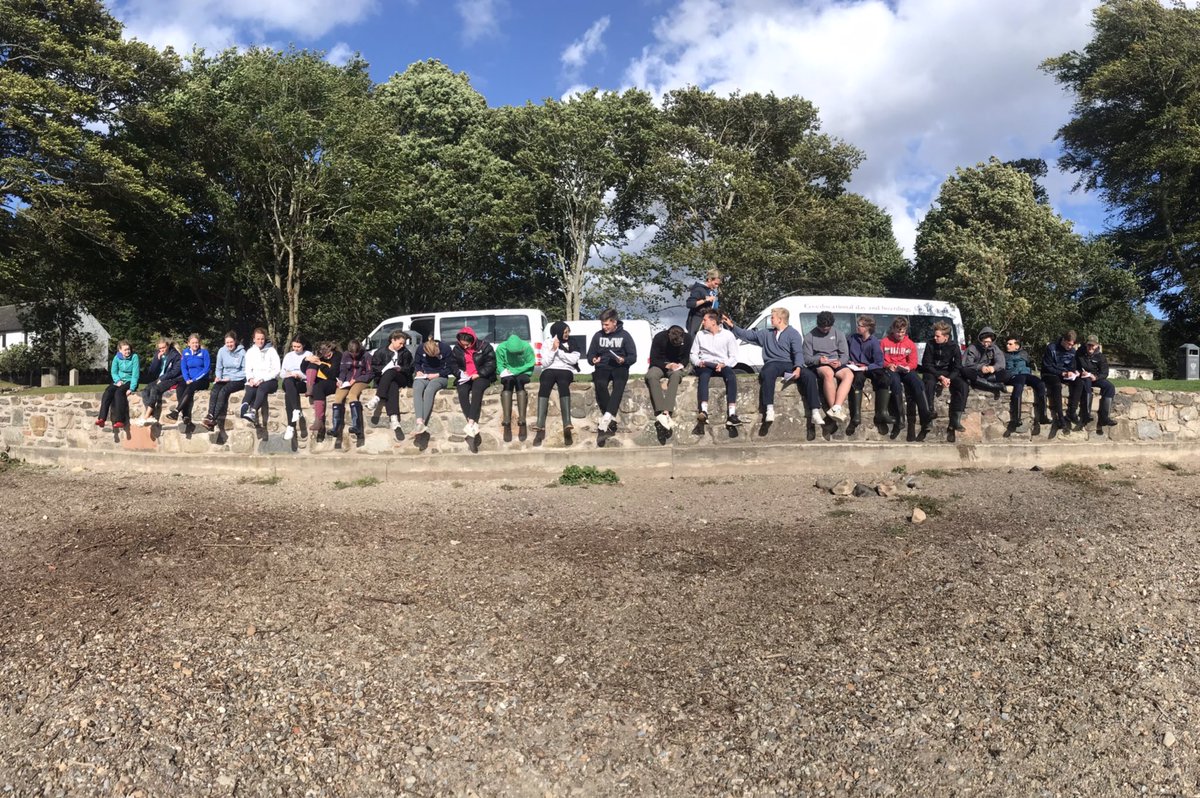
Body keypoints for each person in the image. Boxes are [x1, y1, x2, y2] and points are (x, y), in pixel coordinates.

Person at [723, 307, 814, 425]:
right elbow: (748, 335)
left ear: (780, 320)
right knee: (767, 373)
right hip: (773, 363)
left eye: (773, 317)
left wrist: (798, 368)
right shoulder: (767, 333)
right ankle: (769, 409)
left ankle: (815, 410)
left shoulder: (793, 334)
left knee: (810, 376)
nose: (771, 320)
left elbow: (798, 352)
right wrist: (732, 326)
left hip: (789, 364)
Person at [586, 308, 637, 434]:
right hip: (602, 367)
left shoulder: (625, 335)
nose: (604, 327)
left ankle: (608, 415)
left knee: (619, 385)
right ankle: (611, 417)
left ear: (614, 322)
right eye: (602, 324)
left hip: (620, 367)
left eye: (606, 324)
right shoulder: (598, 335)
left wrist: (623, 360)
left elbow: (633, 356)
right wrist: (593, 359)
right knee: (600, 384)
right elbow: (590, 355)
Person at [880, 317, 931, 441]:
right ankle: (900, 419)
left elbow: (913, 362)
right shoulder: (885, 342)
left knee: (918, 382)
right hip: (891, 369)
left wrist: (908, 367)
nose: (900, 335)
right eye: (898, 332)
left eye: (903, 332)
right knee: (895, 384)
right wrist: (888, 365)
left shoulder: (909, 343)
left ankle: (926, 418)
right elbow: (880, 359)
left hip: (905, 369)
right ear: (893, 330)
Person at [689, 310, 742, 429]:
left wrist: (724, 364)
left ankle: (732, 414)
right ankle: (704, 411)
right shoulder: (700, 335)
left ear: (713, 322)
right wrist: (698, 362)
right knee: (703, 377)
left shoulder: (728, 335)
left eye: (705, 320)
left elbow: (733, 356)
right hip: (705, 363)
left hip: (722, 363)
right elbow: (693, 353)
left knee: (731, 377)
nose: (702, 322)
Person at [534, 321, 580, 446]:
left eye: (568, 331)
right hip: (550, 369)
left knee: (563, 383)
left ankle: (567, 422)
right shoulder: (547, 343)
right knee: (545, 383)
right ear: (558, 332)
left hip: (566, 369)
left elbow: (574, 359)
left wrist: (559, 352)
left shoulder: (572, 342)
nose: (567, 334)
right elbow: (545, 362)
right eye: (565, 332)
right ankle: (540, 423)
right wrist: (554, 349)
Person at [451, 326, 496, 453]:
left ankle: (471, 423)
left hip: (481, 376)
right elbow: (453, 365)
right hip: (465, 377)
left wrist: (479, 373)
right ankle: (472, 426)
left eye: (467, 345)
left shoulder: (484, 347)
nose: (465, 347)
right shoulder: (457, 349)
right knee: (462, 392)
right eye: (463, 344)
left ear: (473, 340)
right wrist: (460, 373)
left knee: (477, 391)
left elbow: (491, 364)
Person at [804, 311, 853, 423]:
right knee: (828, 373)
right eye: (823, 328)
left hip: (836, 363)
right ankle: (834, 411)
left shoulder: (839, 334)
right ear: (818, 325)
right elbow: (806, 359)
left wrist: (840, 362)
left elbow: (845, 355)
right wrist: (819, 360)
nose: (825, 330)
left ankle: (837, 407)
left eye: (828, 328)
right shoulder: (809, 336)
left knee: (849, 374)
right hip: (820, 364)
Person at [920, 321, 968, 435]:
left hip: (948, 371)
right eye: (934, 335)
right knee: (928, 384)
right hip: (932, 371)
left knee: (963, 385)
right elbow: (926, 363)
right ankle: (928, 416)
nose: (935, 338)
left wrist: (949, 378)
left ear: (945, 337)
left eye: (938, 336)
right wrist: (940, 377)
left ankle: (956, 419)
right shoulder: (930, 344)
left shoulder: (954, 346)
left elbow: (957, 367)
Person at [846, 315, 889, 435]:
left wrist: (867, 367)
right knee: (858, 379)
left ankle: (882, 413)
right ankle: (856, 415)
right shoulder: (852, 338)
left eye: (860, 325)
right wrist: (849, 360)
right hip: (856, 368)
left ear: (867, 328)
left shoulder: (874, 342)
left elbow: (879, 363)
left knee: (883, 379)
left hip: (869, 367)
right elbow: (845, 352)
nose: (857, 327)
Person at [1003, 334, 1051, 435]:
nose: (1007, 345)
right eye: (1007, 344)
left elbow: (1029, 364)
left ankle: (1043, 416)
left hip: (1026, 373)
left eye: (1010, 344)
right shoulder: (1004, 355)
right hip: (1013, 375)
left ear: (1017, 345)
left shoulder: (1024, 354)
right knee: (1019, 385)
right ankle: (1016, 418)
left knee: (1040, 384)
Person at [368, 330, 414, 433]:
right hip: (384, 380)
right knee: (392, 384)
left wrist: (400, 369)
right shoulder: (380, 352)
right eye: (400, 343)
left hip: (401, 377)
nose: (402, 346)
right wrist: (384, 369)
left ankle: (377, 397)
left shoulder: (405, 353)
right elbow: (374, 368)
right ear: (393, 340)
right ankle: (394, 418)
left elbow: (410, 369)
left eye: (403, 343)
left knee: (391, 372)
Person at [645, 325, 689, 432]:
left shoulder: (688, 339)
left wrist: (680, 365)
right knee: (651, 375)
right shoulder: (659, 337)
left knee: (676, 376)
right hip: (661, 364)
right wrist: (667, 365)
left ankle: (666, 412)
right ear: (668, 335)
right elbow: (653, 359)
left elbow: (686, 358)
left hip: (677, 366)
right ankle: (660, 411)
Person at [329, 339, 373, 443]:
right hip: (347, 381)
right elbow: (343, 370)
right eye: (351, 354)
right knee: (338, 397)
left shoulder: (366, 356)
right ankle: (336, 427)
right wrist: (340, 380)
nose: (354, 356)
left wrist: (357, 379)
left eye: (356, 354)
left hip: (361, 380)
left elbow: (370, 373)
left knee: (352, 395)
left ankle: (356, 425)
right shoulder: (345, 355)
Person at [495, 332, 536, 442]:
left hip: (524, 372)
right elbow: (499, 364)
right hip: (507, 373)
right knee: (508, 383)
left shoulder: (527, 347)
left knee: (519, 382)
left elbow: (531, 362)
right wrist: (503, 371)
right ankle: (506, 418)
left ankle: (522, 418)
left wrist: (516, 370)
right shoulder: (500, 348)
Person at [1073, 334, 1118, 432]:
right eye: (1089, 345)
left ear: (1097, 345)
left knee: (1110, 387)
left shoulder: (1101, 357)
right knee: (1087, 384)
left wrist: (1096, 377)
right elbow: (1074, 367)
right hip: (1084, 377)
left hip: (1096, 377)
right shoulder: (1079, 353)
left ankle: (1104, 418)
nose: (1090, 347)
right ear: (1086, 345)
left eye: (1093, 345)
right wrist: (1080, 372)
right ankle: (1086, 415)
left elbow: (1105, 372)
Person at [202, 332, 246, 430]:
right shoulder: (222, 351)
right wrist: (218, 377)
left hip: (238, 379)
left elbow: (245, 371)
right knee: (214, 391)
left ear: (235, 341)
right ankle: (210, 415)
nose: (229, 344)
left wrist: (231, 378)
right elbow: (219, 367)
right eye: (227, 342)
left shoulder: (242, 352)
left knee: (223, 392)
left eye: (231, 342)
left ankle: (214, 419)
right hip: (224, 378)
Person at [241, 328, 281, 433]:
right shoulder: (250, 352)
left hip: (269, 381)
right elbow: (248, 368)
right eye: (258, 339)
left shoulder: (272, 351)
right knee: (250, 389)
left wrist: (263, 379)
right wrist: (250, 378)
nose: (260, 341)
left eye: (262, 339)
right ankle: (244, 407)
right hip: (255, 379)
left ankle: (253, 410)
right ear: (254, 339)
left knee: (262, 388)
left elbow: (276, 370)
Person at [135, 337, 181, 426]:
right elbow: (152, 371)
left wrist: (162, 378)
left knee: (155, 389)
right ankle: (151, 415)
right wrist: (157, 359)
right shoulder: (158, 354)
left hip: (171, 379)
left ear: (167, 346)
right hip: (159, 378)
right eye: (160, 348)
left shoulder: (175, 355)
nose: (161, 350)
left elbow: (175, 371)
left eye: (163, 347)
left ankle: (146, 415)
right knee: (145, 391)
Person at [412, 338, 454, 437]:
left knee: (429, 390)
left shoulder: (446, 348)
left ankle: (422, 422)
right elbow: (416, 363)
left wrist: (437, 374)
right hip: (424, 376)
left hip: (440, 377)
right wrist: (418, 370)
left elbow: (451, 368)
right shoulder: (420, 348)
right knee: (417, 387)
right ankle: (419, 421)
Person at [1041, 330, 1080, 434]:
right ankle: (1060, 417)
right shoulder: (1051, 348)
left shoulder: (1072, 351)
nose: (1070, 347)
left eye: (1072, 344)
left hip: (1065, 374)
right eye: (1069, 344)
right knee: (1057, 385)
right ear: (1063, 340)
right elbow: (1047, 366)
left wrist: (1073, 372)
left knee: (1079, 382)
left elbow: (1072, 366)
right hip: (1049, 374)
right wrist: (1062, 373)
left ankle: (1072, 412)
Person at [167, 333, 210, 427]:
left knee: (191, 387)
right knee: (180, 387)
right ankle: (185, 416)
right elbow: (184, 368)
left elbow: (206, 369)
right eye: (193, 343)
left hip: (202, 380)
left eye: (197, 343)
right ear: (188, 343)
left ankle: (177, 411)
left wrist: (194, 379)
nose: (195, 344)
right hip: (189, 379)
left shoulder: (204, 352)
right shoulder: (185, 353)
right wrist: (186, 379)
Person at [97, 340, 138, 429]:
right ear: (119, 350)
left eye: (128, 349)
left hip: (129, 381)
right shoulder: (116, 358)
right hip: (118, 381)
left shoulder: (134, 357)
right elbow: (114, 372)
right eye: (125, 350)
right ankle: (102, 419)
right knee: (108, 391)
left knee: (119, 393)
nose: (127, 351)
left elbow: (135, 374)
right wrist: (118, 380)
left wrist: (131, 388)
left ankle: (120, 420)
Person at [279, 336, 314, 441]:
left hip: (302, 382)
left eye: (298, 346)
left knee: (288, 394)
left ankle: (290, 426)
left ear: (303, 345)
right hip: (289, 380)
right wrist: (288, 374)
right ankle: (296, 409)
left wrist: (299, 375)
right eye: (294, 346)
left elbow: (311, 372)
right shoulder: (288, 356)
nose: (296, 348)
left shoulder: (308, 355)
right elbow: (282, 373)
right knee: (289, 382)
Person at [308, 342, 341, 442]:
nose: (326, 356)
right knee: (312, 366)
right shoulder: (320, 356)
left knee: (318, 388)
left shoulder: (338, 356)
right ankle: (309, 388)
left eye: (328, 354)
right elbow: (303, 368)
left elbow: (333, 374)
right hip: (319, 382)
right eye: (324, 355)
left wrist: (320, 364)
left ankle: (319, 421)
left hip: (333, 382)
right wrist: (307, 360)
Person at [962, 326, 1008, 398]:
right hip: (975, 372)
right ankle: (994, 386)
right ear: (981, 340)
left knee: (1004, 373)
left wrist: (993, 368)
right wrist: (980, 367)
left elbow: (1001, 363)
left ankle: (980, 382)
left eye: (989, 342)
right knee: (965, 371)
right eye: (985, 342)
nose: (986, 344)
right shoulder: (972, 348)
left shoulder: (995, 349)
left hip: (988, 374)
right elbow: (967, 364)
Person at [685, 269, 722, 344]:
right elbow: (689, 304)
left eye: (718, 284)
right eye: (715, 283)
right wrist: (705, 300)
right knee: (694, 341)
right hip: (697, 318)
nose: (717, 286)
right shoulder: (699, 289)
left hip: (708, 319)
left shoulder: (711, 291)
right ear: (709, 280)